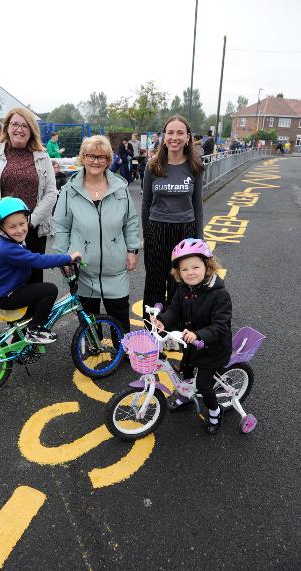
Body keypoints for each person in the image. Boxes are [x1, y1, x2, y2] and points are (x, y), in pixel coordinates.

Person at [53, 135, 140, 333]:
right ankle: (93, 350)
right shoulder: (69, 190)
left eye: (101, 157)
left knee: (119, 318)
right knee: (89, 322)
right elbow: (61, 225)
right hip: (83, 268)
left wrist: (132, 250)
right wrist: (62, 258)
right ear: (82, 158)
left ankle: (123, 349)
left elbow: (131, 221)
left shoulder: (120, 188)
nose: (95, 161)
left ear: (108, 160)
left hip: (115, 267)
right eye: (90, 156)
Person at [150, 238, 232, 435]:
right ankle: (186, 395)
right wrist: (162, 320)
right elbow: (174, 311)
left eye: (195, 267)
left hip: (213, 348)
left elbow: (221, 326)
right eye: (184, 269)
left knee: (204, 385)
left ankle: (215, 410)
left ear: (208, 266)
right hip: (191, 343)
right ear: (178, 273)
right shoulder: (183, 289)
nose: (190, 272)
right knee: (185, 370)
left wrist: (198, 334)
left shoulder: (219, 295)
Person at [0, 196, 82, 344]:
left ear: (27, 221)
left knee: (37, 302)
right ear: (1, 229)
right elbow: (37, 260)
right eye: (12, 227)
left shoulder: (9, 242)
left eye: (22, 223)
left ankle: (18, 342)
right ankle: (34, 330)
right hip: (5, 296)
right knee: (49, 290)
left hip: (8, 291)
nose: (19, 230)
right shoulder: (7, 249)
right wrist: (67, 258)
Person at [0, 106, 57, 283]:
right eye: (15, 124)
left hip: (33, 229)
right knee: (7, 281)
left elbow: (51, 192)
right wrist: (0, 219)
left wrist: (30, 221)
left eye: (25, 125)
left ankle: (35, 312)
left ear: (32, 130)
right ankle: (9, 311)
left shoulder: (42, 155)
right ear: (7, 127)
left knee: (34, 280)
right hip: (2, 230)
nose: (19, 129)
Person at [142, 114, 204, 323]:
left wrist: (198, 240)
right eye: (170, 132)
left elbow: (197, 206)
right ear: (163, 136)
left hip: (185, 231)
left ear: (188, 138)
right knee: (154, 283)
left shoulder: (195, 167)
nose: (174, 137)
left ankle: (175, 331)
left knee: (180, 284)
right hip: (156, 229)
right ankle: (151, 333)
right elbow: (145, 204)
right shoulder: (152, 166)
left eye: (180, 133)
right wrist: (145, 235)